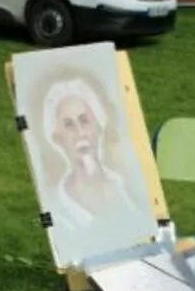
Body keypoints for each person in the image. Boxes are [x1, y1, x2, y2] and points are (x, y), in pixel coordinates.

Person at [42, 78, 142, 231]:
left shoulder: (125, 186)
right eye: (69, 125)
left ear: (99, 127)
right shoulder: (58, 207)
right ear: (58, 139)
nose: (80, 133)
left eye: (85, 121)